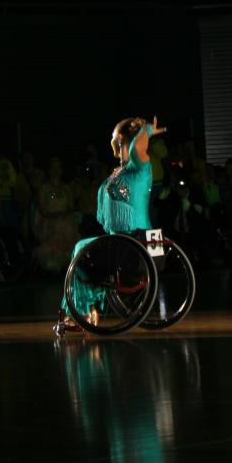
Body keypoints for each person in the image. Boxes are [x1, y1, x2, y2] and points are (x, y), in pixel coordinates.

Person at [57, 116, 168, 332]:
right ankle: (85, 310)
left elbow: (137, 149)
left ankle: (84, 311)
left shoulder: (139, 167)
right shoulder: (121, 170)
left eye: (115, 136)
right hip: (120, 240)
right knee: (80, 247)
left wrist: (144, 130)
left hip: (137, 239)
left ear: (122, 138)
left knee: (83, 249)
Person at [35, 157, 79, 273]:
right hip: (49, 223)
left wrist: (64, 214)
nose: (55, 171)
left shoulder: (66, 188)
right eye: (53, 168)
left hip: (66, 223)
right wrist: (53, 216)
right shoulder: (44, 188)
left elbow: (71, 206)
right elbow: (42, 208)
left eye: (58, 167)